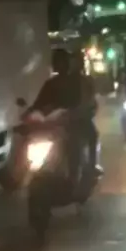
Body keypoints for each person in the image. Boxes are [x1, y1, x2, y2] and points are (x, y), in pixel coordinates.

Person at [29, 48, 103, 177]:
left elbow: (85, 102)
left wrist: (81, 112)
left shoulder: (78, 81)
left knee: (90, 136)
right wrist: (31, 112)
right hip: (54, 124)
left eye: (62, 61)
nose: (60, 65)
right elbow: (39, 102)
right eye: (58, 61)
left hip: (75, 121)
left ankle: (90, 167)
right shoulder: (51, 83)